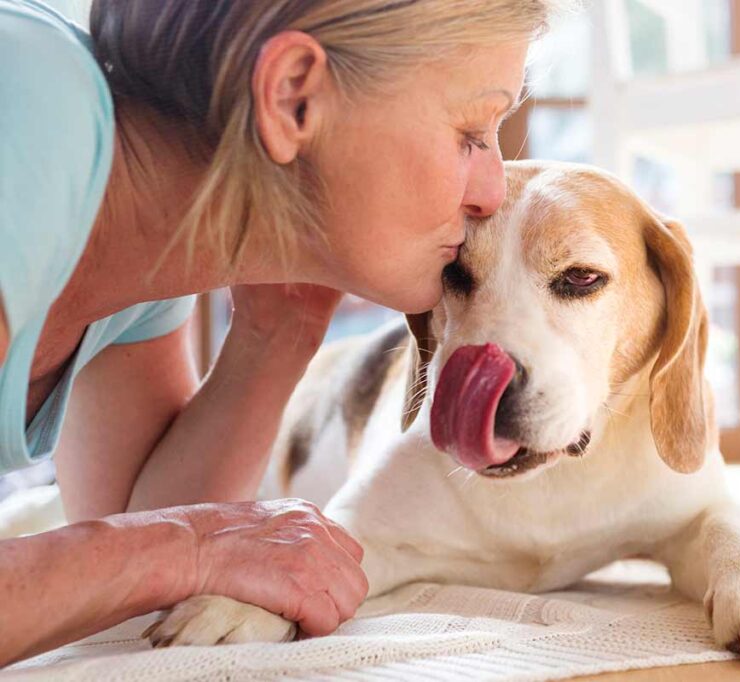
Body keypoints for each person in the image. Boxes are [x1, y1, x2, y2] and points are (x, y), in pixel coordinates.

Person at [0, 0, 559, 666]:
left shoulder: (143, 226)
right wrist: (188, 545)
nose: (493, 191)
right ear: (294, 97)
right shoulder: (28, 107)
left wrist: (278, 333)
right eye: (472, 131)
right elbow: (158, 548)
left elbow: (131, 550)